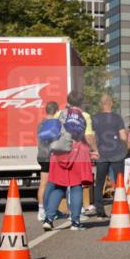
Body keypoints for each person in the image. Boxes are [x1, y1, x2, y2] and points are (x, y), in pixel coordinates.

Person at [43, 91, 98, 231]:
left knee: (58, 186)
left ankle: (48, 219)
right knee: (76, 186)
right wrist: (94, 149)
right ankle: (75, 222)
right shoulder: (84, 116)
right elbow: (89, 136)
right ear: (81, 102)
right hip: (77, 154)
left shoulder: (59, 114)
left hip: (58, 154)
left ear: (68, 100)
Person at [91, 94, 128, 219]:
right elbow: (123, 137)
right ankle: (117, 209)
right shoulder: (117, 118)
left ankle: (100, 212)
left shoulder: (95, 118)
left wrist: (95, 149)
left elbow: (92, 137)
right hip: (117, 154)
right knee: (119, 183)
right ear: (111, 103)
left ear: (100, 105)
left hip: (101, 154)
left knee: (99, 183)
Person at [36, 101, 60, 222]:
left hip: (41, 156)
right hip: (52, 157)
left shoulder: (40, 124)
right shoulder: (56, 124)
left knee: (43, 184)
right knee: (54, 185)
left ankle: (41, 210)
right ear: (56, 111)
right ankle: (50, 209)